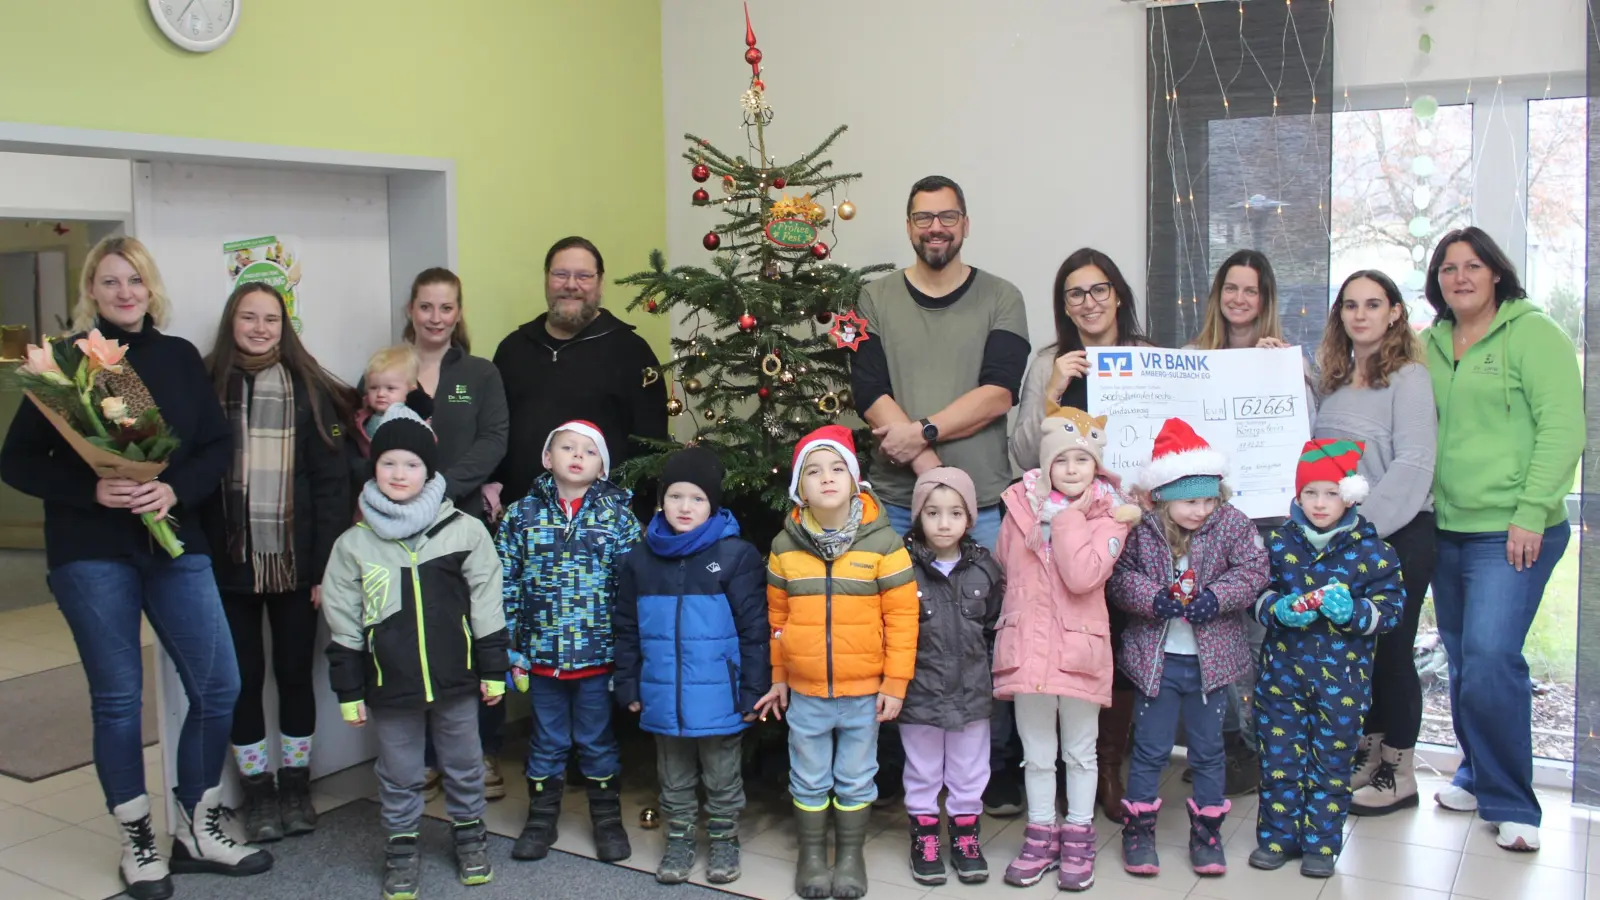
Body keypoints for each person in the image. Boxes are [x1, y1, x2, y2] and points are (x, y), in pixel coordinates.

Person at [0, 236, 270, 899]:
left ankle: (197, 826)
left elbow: (213, 445)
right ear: (91, 289)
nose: (125, 292)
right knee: (119, 701)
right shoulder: (67, 365)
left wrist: (174, 490)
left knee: (219, 686)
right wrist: (90, 490)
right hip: (92, 552)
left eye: (136, 281)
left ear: (151, 289)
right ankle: (137, 839)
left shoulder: (177, 359)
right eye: (111, 282)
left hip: (176, 541)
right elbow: (17, 460)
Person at [849, 174, 1029, 817]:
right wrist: (928, 467)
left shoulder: (1003, 298)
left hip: (981, 503)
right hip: (897, 501)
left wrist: (923, 434)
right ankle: (903, 770)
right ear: (907, 226)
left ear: (965, 224)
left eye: (948, 216)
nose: (936, 228)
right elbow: (866, 388)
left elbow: (999, 392)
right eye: (924, 218)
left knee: (987, 638)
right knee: (899, 635)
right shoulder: (869, 300)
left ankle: (995, 771)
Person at [1420, 226, 1583, 852]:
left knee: (1491, 658)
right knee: (1464, 661)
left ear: (1496, 273)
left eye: (1473, 266)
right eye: (1448, 269)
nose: (1459, 277)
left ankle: (1513, 802)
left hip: (1515, 530)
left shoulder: (1536, 334)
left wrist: (1530, 511)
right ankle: (1474, 769)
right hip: (1448, 528)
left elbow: (1562, 429)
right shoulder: (1429, 344)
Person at [321, 409, 509, 899]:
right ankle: (402, 844)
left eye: (411, 464)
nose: (400, 474)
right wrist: (347, 688)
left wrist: (493, 669)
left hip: (458, 681)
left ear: (429, 473)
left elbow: (488, 604)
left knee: (465, 763)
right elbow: (342, 620)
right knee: (401, 771)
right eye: (388, 463)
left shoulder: (464, 532)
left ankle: (470, 833)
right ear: (374, 471)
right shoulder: (353, 546)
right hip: (390, 685)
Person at [203, 281, 355, 843]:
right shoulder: (206, 381)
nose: (260, 328)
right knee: (242, 681)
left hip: (297, 566)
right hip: (229, 565)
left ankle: (295, 784)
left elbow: (330, 484)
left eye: (271, 318)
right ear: (231, 322)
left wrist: (323, 570)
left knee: (295, 676)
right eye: (249, 317)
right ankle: (256, 792)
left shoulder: (307, 386)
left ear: (284, 326)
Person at [1009, 247, 1152, 822]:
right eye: (1075, 293)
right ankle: (1062, 775)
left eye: (1099, 290)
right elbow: (1020, 452)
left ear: (1118, 294)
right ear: (1062, 304)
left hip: (1126, 524)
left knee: (1116, 642)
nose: (1088, 302)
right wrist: (1052, 392)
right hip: (1060, 534)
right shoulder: (1048, 360)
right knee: (1065, 634)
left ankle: (1106, 767)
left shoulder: (1147, 356)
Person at [754, 426, 920, 900]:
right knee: (808, 775)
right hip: (806, 692)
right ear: (798, 489)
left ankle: (849, 857)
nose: (826, 478)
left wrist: (895, 682)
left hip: (864, 692)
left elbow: (904, 619)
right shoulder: (785, 548)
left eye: (836, 469)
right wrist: (780, 677)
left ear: (855, 481)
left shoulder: (885, 545)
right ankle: (811, 857)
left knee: (855, 774)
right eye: (813, 471)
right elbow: (778, 620)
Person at [1107, 418, 1269, 878]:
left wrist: (1217, 598)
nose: (1201, 510)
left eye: (1208, 499)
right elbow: (1121, 578)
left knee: (1209, 750)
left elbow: (1255, 570)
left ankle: (1207, 834)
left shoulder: (1232, 525)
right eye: (1190, 501)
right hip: (1156, 662)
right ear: (1162, 496)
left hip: (1211, 666)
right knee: (1150, 751)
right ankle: (1138, 832)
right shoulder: (1143, 530)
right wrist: (1153, 599)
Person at [993, 410, 1139, 892]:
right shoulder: (1017, 507)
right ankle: (1040, 833)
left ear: (1096, 467)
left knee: (1079, 753)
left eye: (1083, 460)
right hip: (1028, 648)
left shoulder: (1109, 517)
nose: (1073, 469)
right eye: (1062, 459)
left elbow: (1082, 575)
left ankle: (1077, 834)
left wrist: (1069, 518)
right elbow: (1005, 567)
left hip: (1079, 651)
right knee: (1036, 755)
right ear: (1046, 464)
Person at [1185, 249, 1313, 797]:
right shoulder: (1191, 357)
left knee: (1263, 636)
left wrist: (1287, 371)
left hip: (1264, 520)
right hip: (1204, 518)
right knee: (1210, 632)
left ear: (1266, 301)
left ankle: (1270, 749)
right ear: (1218, 295)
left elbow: (1307, 430)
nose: (1240, 299)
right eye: (1231, 288)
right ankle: (1226, 745)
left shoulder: (1280, 359)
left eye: (1251, 291)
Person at [612, 446, 769, 886]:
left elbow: (754, 631)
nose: (685, 507)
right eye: (676, 496)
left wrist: (753, 689)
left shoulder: (736, 556)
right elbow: (626, 629)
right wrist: (629, 683)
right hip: (663, 693)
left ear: (713, 505)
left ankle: (723, 839)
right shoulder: (640, 559)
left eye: (697, 499)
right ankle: (679, 839)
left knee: (722, 776)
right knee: (674, 777)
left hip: (720, 693)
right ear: (662, 499)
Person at [1312, 270, 1438, 817]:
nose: (1360, 314)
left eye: (1373, 304)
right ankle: (1368, 758)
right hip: (1340, 537)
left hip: (1397, 533)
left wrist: (1360, 532)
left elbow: (1413, 464)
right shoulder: (1333, 379)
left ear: (1394, 313)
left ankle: (1399, 772)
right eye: (1349, 305)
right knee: (1357, 654)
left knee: (1392, 653)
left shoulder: (1408, 377)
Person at [1248, 439, 1403, 878]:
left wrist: (1354, 613)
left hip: (1344, 686)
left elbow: (1390, 612)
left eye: (1331, 493)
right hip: (1280, 679)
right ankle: (1277, 838)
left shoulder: (1375, 553)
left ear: (1349, 496)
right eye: (1309, 493)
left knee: (1331, 766)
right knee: (1279, 759)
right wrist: (1274, 607)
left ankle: (1321, 845)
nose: (1319, 503)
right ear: (1297, 496)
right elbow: (1254, 592)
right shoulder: (1276, 543)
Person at [387, 268, 510, 802]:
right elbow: (372, 433)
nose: (435, 318)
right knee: (417, 638)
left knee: (475, 636)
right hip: (401, 529)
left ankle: (479, 751)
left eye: (446, 308)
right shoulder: (390, 369)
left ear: (459, 314)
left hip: (463, 523)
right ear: (410, 310)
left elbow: (495, 439)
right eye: (425, 307)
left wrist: (442, 488)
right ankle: (429, 758)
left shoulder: (480, 374)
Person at [498, 420, 642, 864]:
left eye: (589, 451)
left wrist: (627, 654)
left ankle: (606, 819)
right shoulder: (520, 515)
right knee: (546, 740)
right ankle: (541, 819)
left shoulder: (618, 517)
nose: (577, 456)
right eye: (566, 448)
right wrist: (510, 647)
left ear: (601, 468)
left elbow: (632, 589)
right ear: (547, 458)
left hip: (597, 659)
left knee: (597, 740)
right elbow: (504, 583)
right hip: (540, 657)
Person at [487, 237, 667, 517]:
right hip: (521, 523)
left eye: (583, 276)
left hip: (605, 525)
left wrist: (637, 512)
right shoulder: (513, 350)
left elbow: (651, 447)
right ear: (547, 279)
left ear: (600, 282)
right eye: (561, 274)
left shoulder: (632, 352)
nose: (571, 285)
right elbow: (493, 431)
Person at [899, 467, 1004, 887]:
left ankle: (965, 837)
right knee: (923, 769)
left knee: (969, 769)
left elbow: (996, 625)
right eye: (933, 513)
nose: (944, 523)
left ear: (970, 518)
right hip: (919, 693)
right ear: (918, 517)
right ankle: (924, 837)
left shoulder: (986, 568)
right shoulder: (902, 569)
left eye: (955, 513)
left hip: (972, 693)